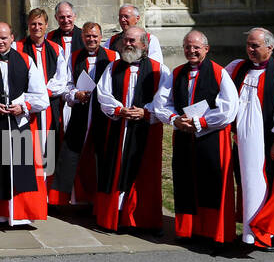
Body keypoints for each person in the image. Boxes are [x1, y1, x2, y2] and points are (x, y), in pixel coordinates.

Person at [156, 30, 238, 247]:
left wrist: (201, 122)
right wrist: (174, 119)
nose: (191, 51)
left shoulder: (219, 73)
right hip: (184, 137)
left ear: (206, 49)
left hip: (211, 137)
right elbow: (161, 103)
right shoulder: (176, 73)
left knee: (212, 184)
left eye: (196, 47)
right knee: (185, 182)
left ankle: (214, 233)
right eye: (187, 47)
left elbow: (229, 108)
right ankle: (188, 230)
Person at [226, 27, 274, 251]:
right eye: (248, 45)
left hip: (269, 142)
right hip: (243, 141)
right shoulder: (237, 68)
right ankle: (250, 232)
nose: (249, 49)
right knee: (247, 183)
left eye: (255, 45)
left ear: (270, 47)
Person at [92, 26, 169, 233]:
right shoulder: (113, 67)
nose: (128, 44)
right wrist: (119, 109)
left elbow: (164, 100)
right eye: (125, 40)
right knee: (114, 171)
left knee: (145, 174)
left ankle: (143, 220)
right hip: (118, 127)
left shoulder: (158, 69)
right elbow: (103, 94)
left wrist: (145, 112)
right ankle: (114, 218)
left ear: (144, 45)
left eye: (133, 41)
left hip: (147, 129)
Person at [0, 23, 49, 226]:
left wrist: (23, 106)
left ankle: (22, 214)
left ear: (12, 38)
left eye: (4, 38)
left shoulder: (25, 60)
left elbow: (41, 96)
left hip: (19, 123)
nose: (0, 42)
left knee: (21, 168)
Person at [16, 8, 71, 205]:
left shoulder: (56, 49)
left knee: (50, 148)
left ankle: (49, 196)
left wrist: (42, 94)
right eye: (33, 24)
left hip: (49, 108)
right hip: (27, 108)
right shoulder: (19, 48)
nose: (36, 27)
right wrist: (32, 97)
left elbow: (61, 79)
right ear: (28, 26)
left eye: (40, 24)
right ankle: (31, 196)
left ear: (47, 26)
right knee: (30, 150)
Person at [63, 21, 115, 205]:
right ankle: (81, 198)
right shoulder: (74, 57)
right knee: (78, 153)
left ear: (101, 38)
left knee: (101, 155)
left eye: (95, 36)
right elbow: (67, 83)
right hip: (81, 110)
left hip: (104, 114)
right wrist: (75, 94)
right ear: (82, 37)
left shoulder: (112, 56)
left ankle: (101, 200)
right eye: (87, 36)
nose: (91, 39)